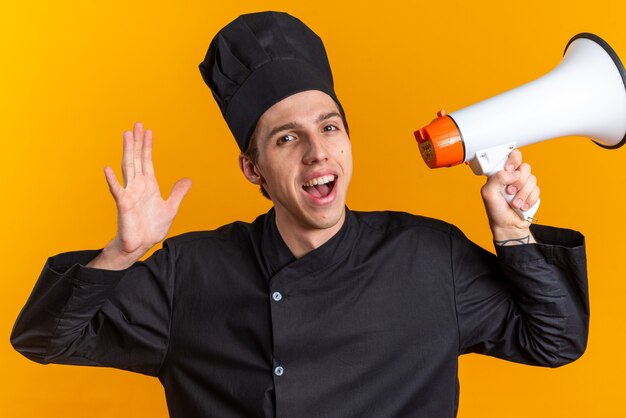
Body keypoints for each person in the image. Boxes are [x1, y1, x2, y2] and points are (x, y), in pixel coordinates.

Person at [11, 11, 588, 418]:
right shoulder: (191, 273)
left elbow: (556, 340)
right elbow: (42, 339)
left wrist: (514, 233)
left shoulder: (428, 256)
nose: (318, 151)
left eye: (330, 127)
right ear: (252, 168)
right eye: (287, 138)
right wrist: (124, 253)